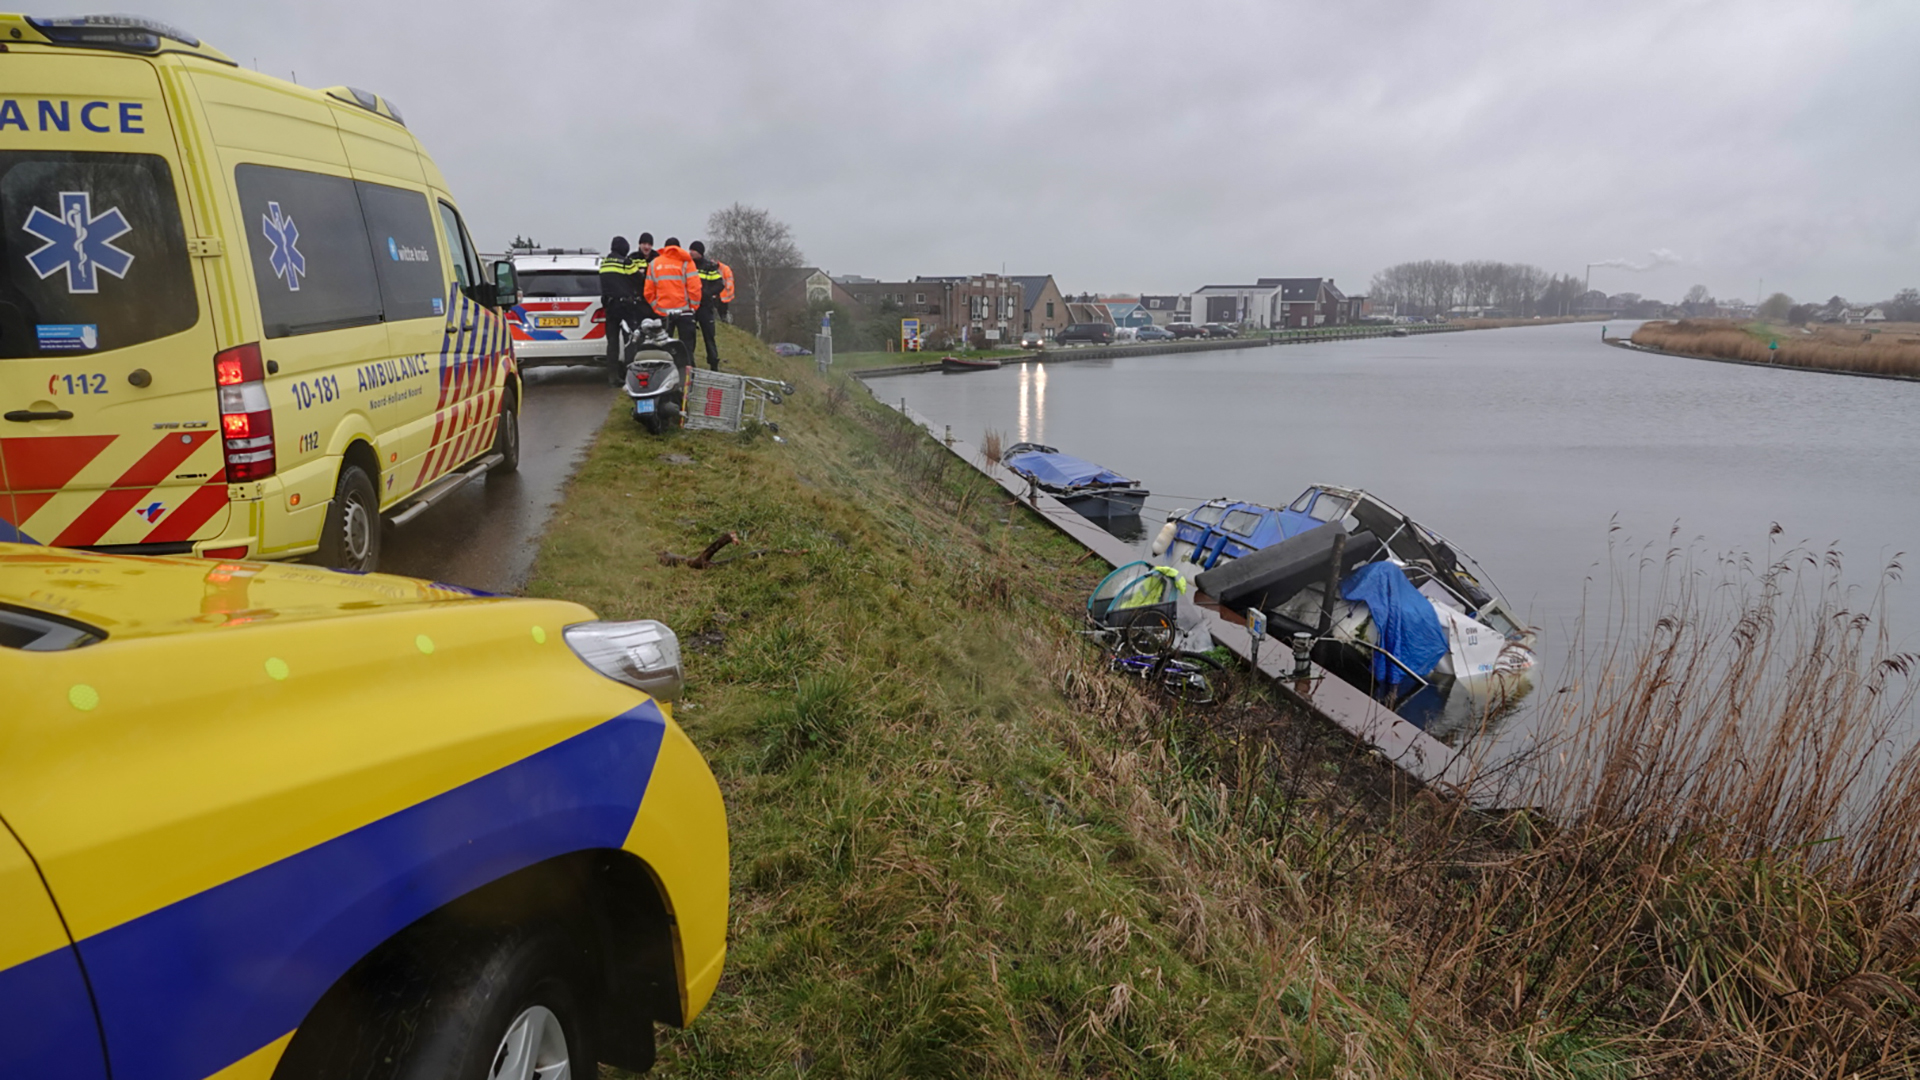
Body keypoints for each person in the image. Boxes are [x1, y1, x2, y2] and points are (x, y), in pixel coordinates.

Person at [643, 236, 702, 360]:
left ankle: (665, 374)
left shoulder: (654, 264)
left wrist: (657, 308)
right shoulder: (687, 262)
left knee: (662, 347)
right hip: (685, 312)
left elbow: (648, 292)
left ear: (665, 249)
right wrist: (693, 307)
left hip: (663, 313)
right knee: (687, 349)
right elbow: (695, 288)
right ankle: (687, 375)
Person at [597, 235, 640, 383]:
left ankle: (612, 376)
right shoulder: (626, 262)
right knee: (630, 341)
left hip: (610, 306)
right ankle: (631, 375)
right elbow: (639, 280)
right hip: (625, 306)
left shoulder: (604, 263)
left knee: (612, 342)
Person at [690, 240, 725, 370]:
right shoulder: (688, 265)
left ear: (700, 252)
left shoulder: (709, 266)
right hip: (692, 307)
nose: (691, 252)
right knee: (690, 337)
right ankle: (690, 362)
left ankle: (713, 362)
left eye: (693, 250)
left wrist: (706, 293)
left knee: (709, 336)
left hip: (705, 306)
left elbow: (720, 284)